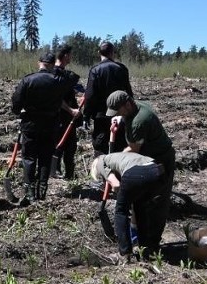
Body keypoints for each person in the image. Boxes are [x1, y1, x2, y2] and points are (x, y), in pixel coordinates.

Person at [105, 89, 176, 252]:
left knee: (157, 201)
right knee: (140, 199)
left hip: (160, 160)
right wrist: (120, 118)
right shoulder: (136, 107)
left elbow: (133, 150)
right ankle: (138, 235)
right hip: (149, 157)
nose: (117, 114)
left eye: (118, 111)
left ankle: (151, 244)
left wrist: (115, 159)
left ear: (127, 104)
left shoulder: (139, 122)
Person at [11, 53, 76, 202]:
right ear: (53, 64)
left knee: (29, 157)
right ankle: (42, 191)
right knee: (45, 158)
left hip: (30, 124)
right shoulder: (59, 81)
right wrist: (59, 69)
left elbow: (16, 103)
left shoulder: (28, 80)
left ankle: (30, 192)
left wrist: (18, 111)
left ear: (39, 62)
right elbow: (73, 78)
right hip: (50, 124)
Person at [91, 152, 170, 261]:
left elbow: (116, 184)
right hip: (158, 173)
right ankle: (145, 250)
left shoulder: (100, 161)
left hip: (136, 173)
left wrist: (121, 195)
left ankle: (124, 253)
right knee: (140, 209)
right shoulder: (121, 156)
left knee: (121, 211)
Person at [83, 41, 133, 156]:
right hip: (120, 114)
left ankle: (101, 170)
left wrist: (86, 116)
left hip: (101, 115)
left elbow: (90, 95)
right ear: (112, 53)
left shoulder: (95, 70)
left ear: (98, 52)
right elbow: (128, 93)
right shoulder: (122, 69)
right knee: (120, 144)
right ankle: (117, 171)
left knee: (100, 145)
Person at [53, 45, 82, 179]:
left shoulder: (62, 74)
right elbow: (56, 98)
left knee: (68, 146)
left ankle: (68, 174)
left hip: (64, 116)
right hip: (61, 117)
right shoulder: (57, 74)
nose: (71, 57)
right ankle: (57, 171)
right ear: (65, 56)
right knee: (62, 145)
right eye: (70, 55)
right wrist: (71, 110)